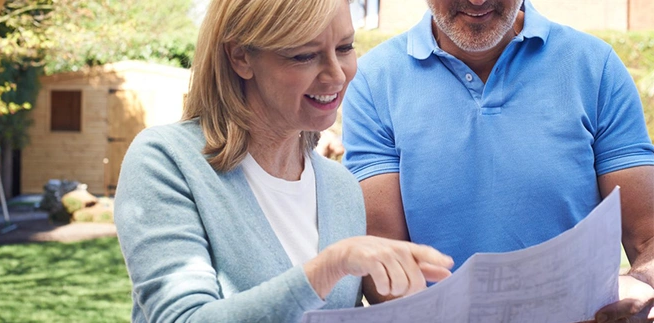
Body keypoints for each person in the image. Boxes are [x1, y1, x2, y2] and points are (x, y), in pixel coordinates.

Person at [113, 0, 455, 322]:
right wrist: (329, 267)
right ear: (240, 57)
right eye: (305, 55)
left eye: (345, 48)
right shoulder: (165, 161)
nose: (336, 75)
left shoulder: (340, 186)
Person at [341, 0, 654, 321]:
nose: (477, 1)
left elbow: (647, 235)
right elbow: (384, 259)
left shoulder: (594, 67)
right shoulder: (374, 82)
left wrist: (641, 282)